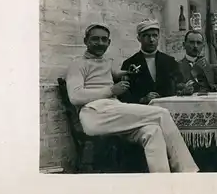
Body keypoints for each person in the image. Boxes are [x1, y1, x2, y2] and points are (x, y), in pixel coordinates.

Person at [65, 23, 199, 173]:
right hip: (94, 115)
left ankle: (162, 181)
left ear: (109, 43)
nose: (100, 43)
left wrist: (126, 74)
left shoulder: (106, 63)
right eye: (95, 39)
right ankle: (188, 171)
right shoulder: (77, 64)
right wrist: (111, 90)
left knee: (153, 131)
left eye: (104, 40)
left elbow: (115, 73)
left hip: (113, 113)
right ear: (86, 41)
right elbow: (75, 96)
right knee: (161, 113)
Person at [120, 19, 186, 104]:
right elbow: (124, 94)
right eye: (146, 36)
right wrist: (142, 99)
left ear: (158, 37)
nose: (151, 40)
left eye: (154, 35)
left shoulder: (170, 61)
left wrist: (184, 89)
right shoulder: (129, 63)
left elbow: (179, 85)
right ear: (139, 38)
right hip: (142, 111)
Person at [178, 30, 217, 94]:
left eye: (198, 43)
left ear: (202, 46)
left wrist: (212, 87)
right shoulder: (177, 67)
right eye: (191, 42)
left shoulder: (210, 68)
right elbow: (171, 92)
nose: (195, 46)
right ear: (184, 45)